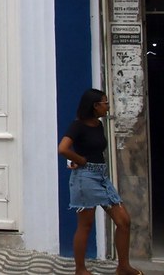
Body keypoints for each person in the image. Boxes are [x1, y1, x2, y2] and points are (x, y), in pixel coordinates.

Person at [57, 88, 142, 275]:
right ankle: (80, 270)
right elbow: (62, 148)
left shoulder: (98, 124)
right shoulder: (77, 126)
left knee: (124, 221)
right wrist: (79, 160)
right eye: (105, 103)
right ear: (95, 105)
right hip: (85, 178)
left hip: (101, 177)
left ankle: (123, 267)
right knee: (85, 225)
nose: (108, 106)